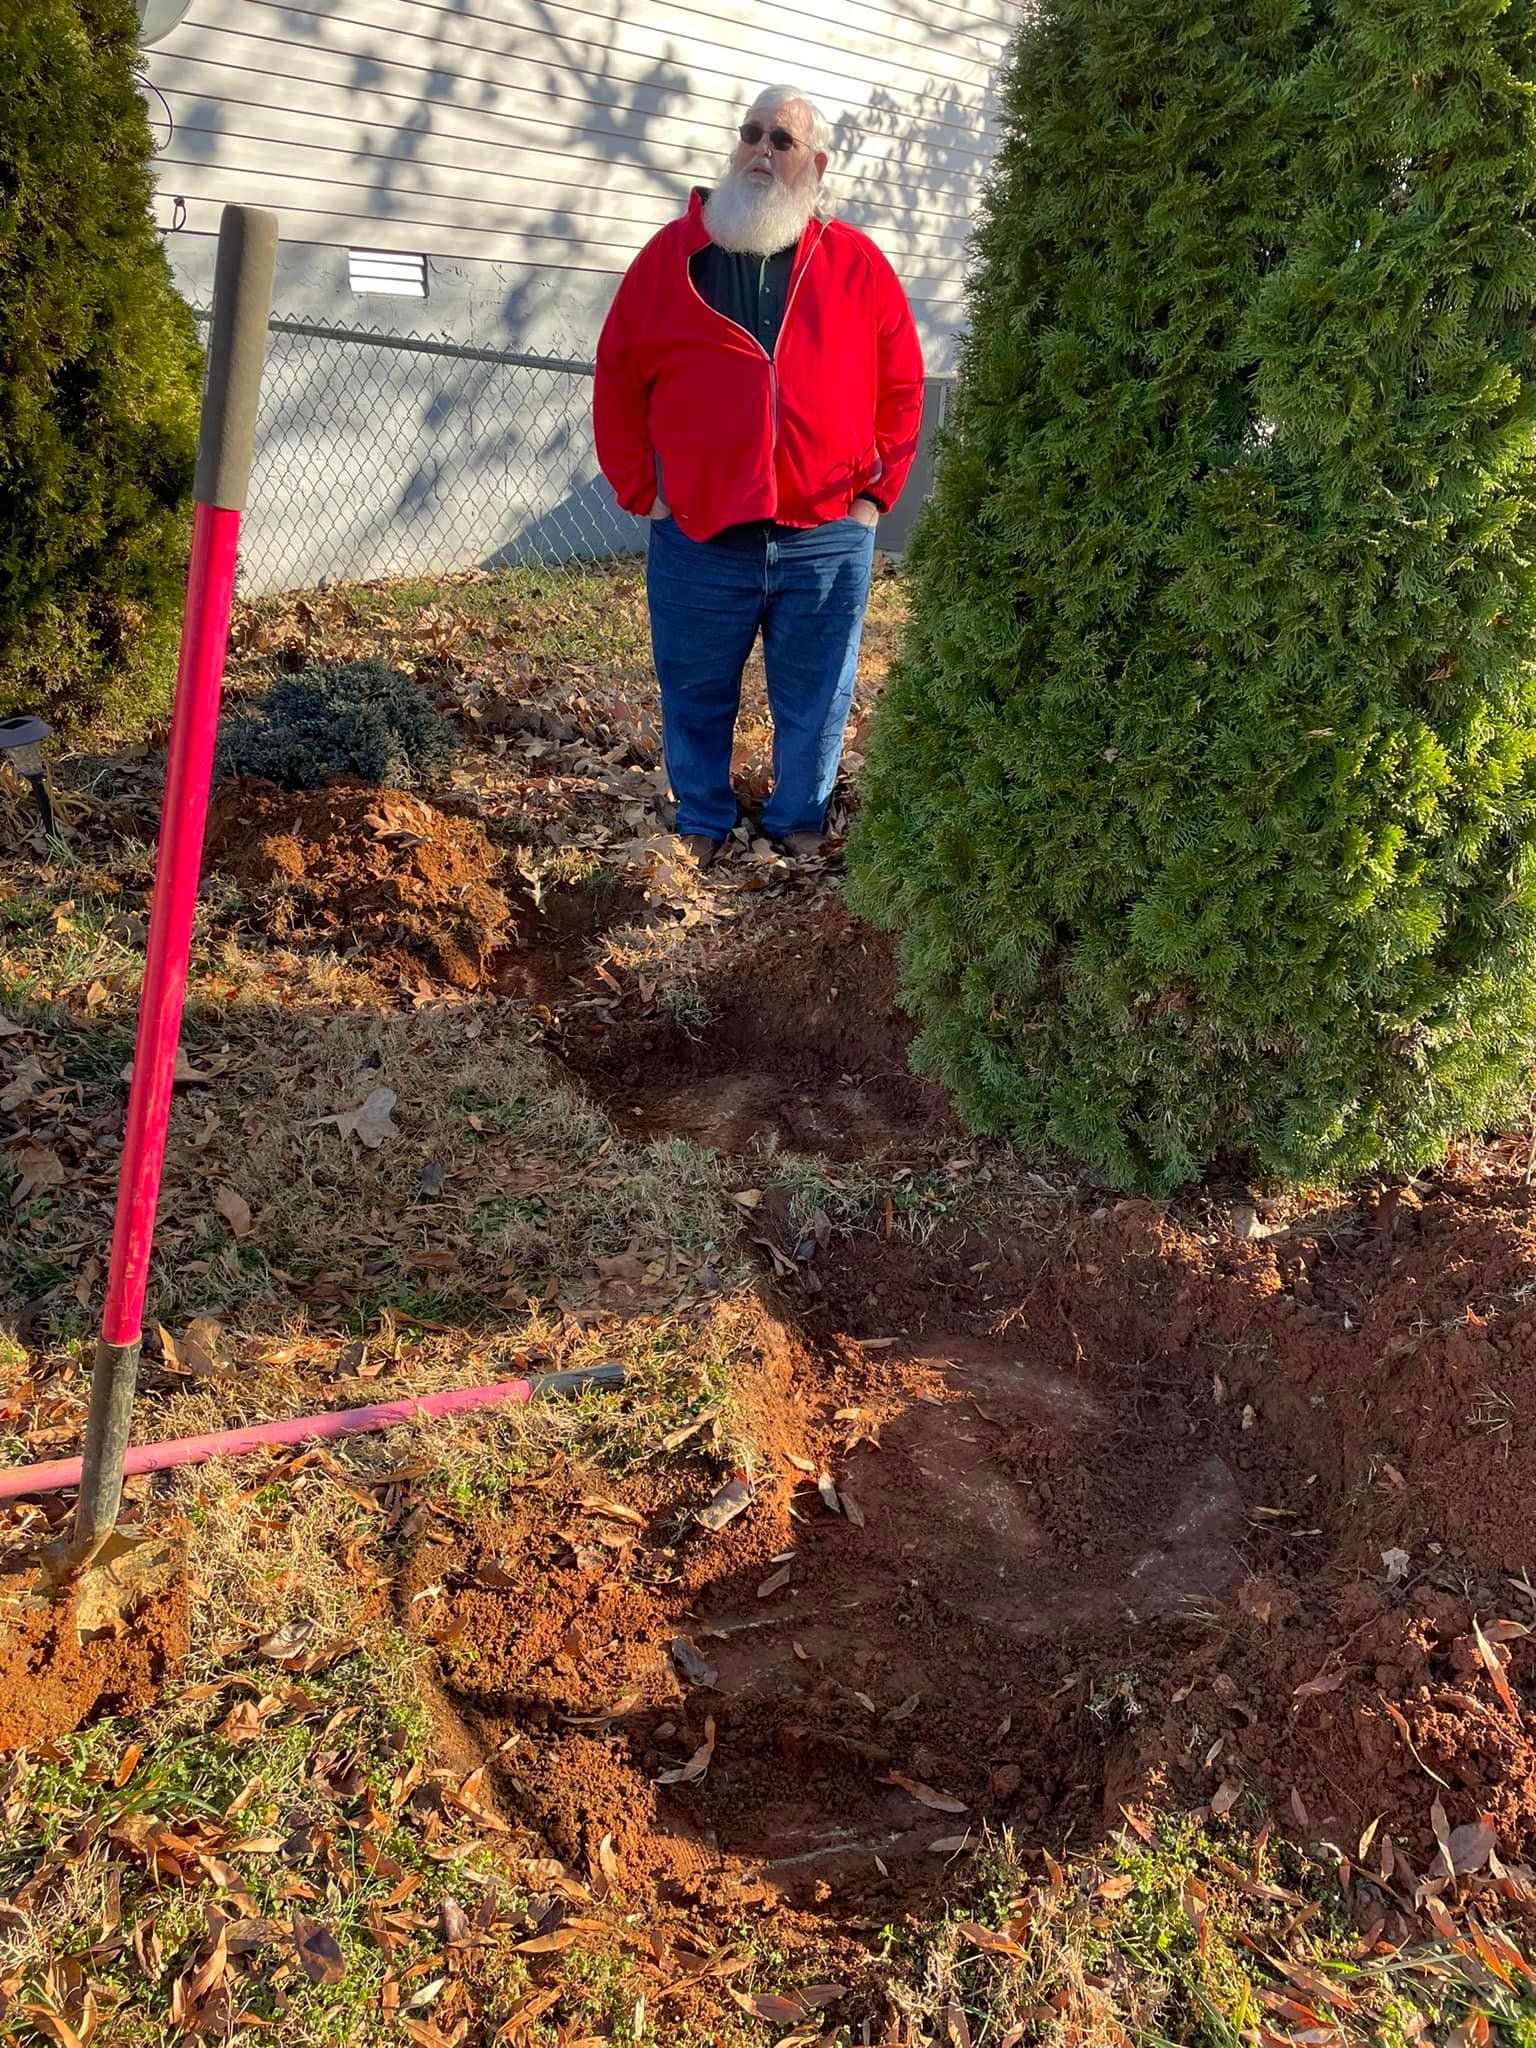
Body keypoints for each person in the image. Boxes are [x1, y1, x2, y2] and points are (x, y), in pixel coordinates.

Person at [593, 86, 925, 866]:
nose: (763, 150)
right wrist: (646, 491)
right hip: (702, 533)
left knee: (816, 697)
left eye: (783, 139)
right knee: (695, 690)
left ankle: (796, 817)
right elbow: (617, 378)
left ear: (816, 164)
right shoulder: (670, 259)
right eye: (751, 134)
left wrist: (878, 492)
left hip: (826, 531)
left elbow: (902, 386)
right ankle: (703, 818)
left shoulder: (855, 264)